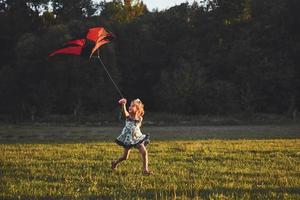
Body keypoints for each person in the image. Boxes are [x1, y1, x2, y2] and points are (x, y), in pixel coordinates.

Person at [111, 98, 152, 175]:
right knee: (125, 157)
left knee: (144, 152)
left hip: (137, 138)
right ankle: (115, 163)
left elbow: (137, 123)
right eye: (130, 105)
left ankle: (145, 170)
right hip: (128, 139)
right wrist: (124, 105)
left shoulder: (139, 118)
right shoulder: (128, 117)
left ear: (137, 110)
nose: (130, 107)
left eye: (132, 106)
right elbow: (125, 112)